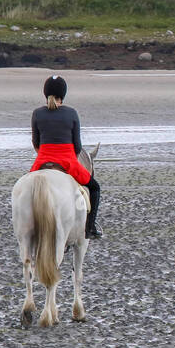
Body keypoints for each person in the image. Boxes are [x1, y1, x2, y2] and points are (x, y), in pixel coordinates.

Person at [30, 75, 103, 238]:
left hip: (42, 161)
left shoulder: (37, 114)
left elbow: (36, 143)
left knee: (26, 190)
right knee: (95, 188)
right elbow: (77, 146)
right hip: (67, 162)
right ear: (63, 94)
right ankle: (90, 229)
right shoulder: (71, 113)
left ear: (45, 93)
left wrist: (46, 155)